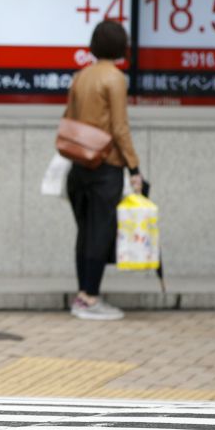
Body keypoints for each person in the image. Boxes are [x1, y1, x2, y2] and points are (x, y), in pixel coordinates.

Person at [64, 20, 143, 321]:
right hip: (106, 165)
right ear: (121, 46)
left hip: (79, 162)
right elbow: (120, 128)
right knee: (100, 232)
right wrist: (134, 166)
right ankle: (89, 297)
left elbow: (69, 117)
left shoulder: (81, 75)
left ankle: (82, 295)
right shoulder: (115, 78)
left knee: (85, 231)